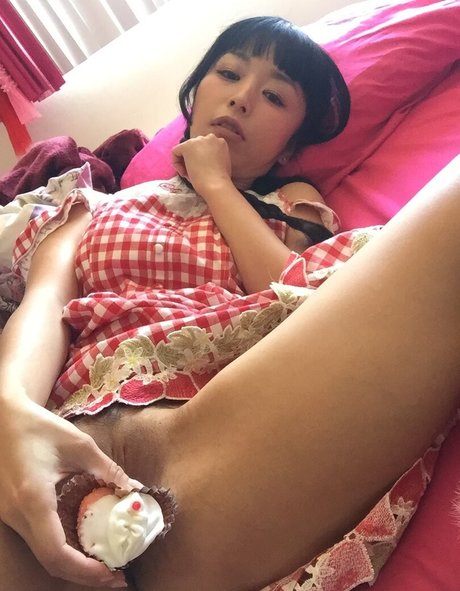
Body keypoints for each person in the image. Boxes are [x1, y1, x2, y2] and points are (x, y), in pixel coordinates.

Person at [0, 14, 459, 591]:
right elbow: (44, 304)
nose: (243, 98)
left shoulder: (291, 205)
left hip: (230, 426)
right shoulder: (91, 204)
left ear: (291, 145)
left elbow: (291, 293)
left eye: (274, 96)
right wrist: (10, 411)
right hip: (76, 434)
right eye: (229, 73)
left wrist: (216, 183)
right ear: (195, 95)